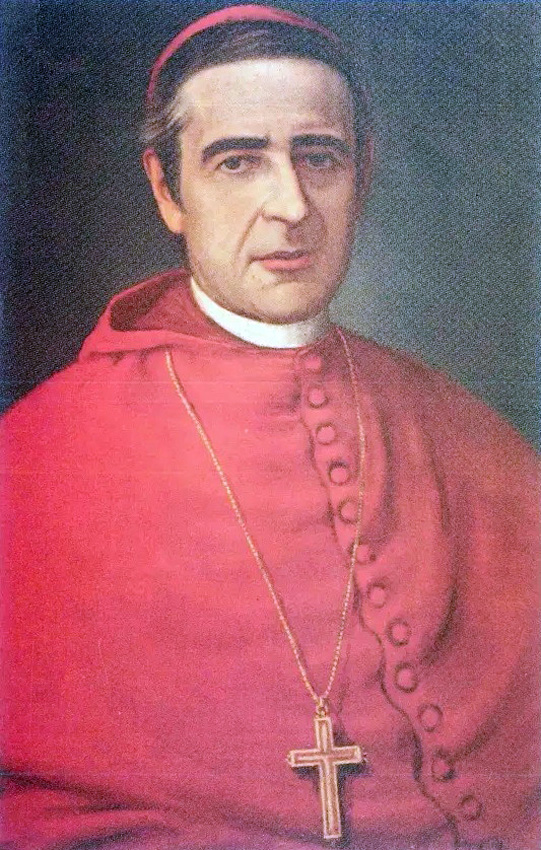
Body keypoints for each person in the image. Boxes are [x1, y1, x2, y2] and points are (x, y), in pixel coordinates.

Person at [1, 5, 538, 850]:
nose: (290, 206)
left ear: (361, 173)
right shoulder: (37, 458)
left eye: (318, 157)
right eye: (238, 161)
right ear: (167, 189)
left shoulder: (464, 431)